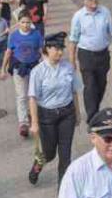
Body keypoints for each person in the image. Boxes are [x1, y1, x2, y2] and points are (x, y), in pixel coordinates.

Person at [27, 32, 82, 186]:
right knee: (49, 153)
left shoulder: (69, 67)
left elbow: (74, 91)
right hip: (46, 116)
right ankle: (38, 165)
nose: (59, 52)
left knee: (65, 155)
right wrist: (35, 123)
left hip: (67, 114)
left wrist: (77, 113)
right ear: (47, 49)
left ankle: (63, 192)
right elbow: (32, 97)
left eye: (61, 48)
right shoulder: (38, 71)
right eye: (56, 48)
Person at [69, 0, 112, 123]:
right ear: (85, 0)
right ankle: (92, 118)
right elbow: (73, 39)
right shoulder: (78, 16)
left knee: (101, 85)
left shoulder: (105, 12)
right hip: (86, 56)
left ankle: (95, 109)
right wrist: (72, 61)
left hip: (103, 55)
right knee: (90, 86)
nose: (94, 1)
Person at [0, 10, 43, 137]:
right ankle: (23, 123)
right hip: (19, 68)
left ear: (31, 22)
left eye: (28, 22)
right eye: (23, 22)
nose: (25, 25)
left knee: (34, 94)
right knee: (21, 95)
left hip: (34, 68)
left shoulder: (36, 35)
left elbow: (41, 51)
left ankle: (33, 115)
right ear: (18, 22)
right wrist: (3, 68)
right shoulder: (14, 36)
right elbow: (8, 52)